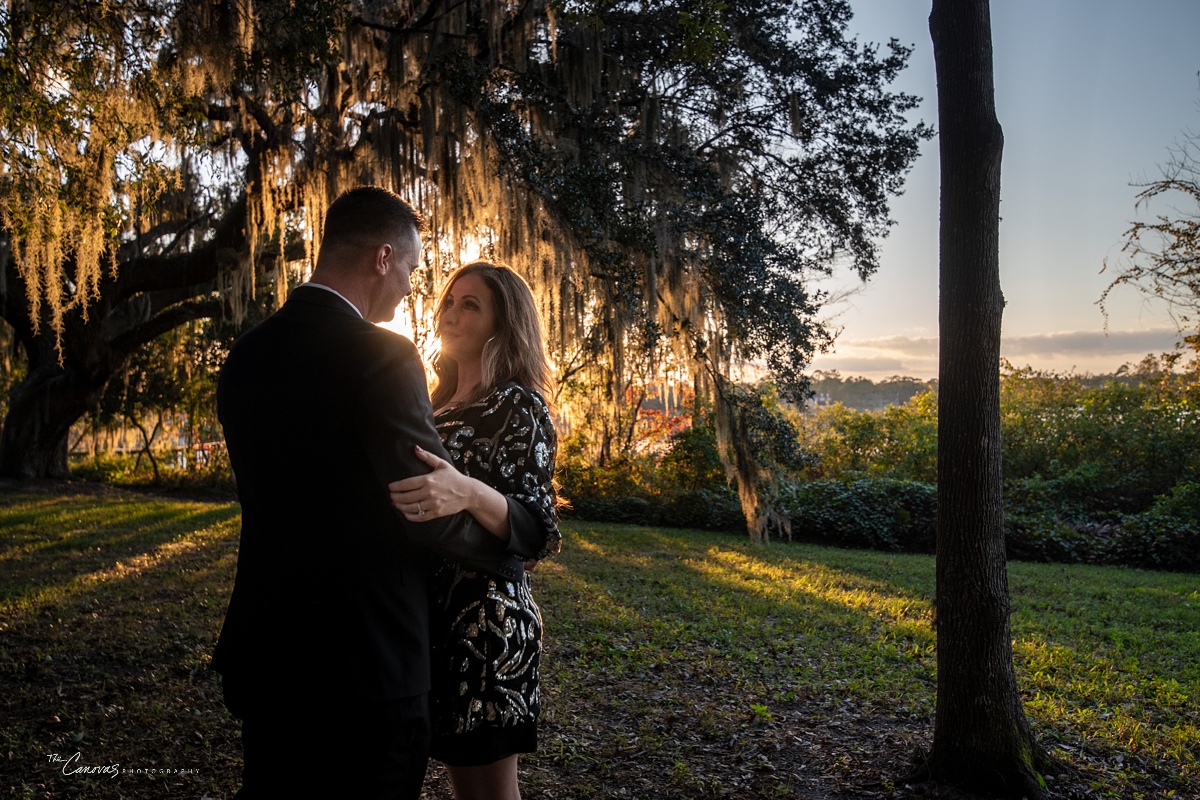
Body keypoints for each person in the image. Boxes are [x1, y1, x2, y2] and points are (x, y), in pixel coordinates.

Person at [214, 188, 522, 799]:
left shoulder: (246, 356)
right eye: (409, 269)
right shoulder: (382, 356)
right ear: (383, 258)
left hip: (269, 653)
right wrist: (511, 547)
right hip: (365, 661)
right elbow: (424, 504)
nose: (410, 286)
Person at [388, 261, 561, 800]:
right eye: (448, 300)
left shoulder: (518, 405)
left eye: (471, 305)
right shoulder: (433, 403)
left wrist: (467, 491)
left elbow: (536, 531)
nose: (451, 313)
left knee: (486, 792)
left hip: (486, 626)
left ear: (502, 324)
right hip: (425, 620)